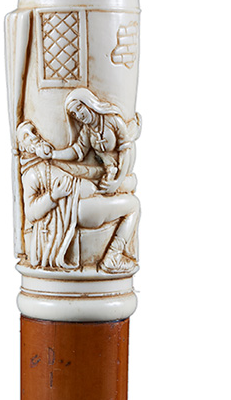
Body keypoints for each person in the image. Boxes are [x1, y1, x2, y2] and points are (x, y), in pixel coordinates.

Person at [16, 121, 140, 273]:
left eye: (34, 132)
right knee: (133, 205)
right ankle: (113, 256)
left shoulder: (49, 165)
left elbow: (79, 177)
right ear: (23, 147)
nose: (34, 137)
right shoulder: (32, 174)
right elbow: (30, 213)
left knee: (126, 187)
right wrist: (53, 196)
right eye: (27, 136)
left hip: (79, 203)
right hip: (73, 212)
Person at [50, 88, 141, 194]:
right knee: (67, 170)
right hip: (106, 171)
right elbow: (77, 151)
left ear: (88, 103)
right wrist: (53, 154)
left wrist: (117, 182)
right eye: (74, 114)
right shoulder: (88, 130)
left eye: (79, 108)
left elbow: (126, 151)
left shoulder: (113, 120)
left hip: (122, 170)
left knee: (124, 185)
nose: (79, 116)